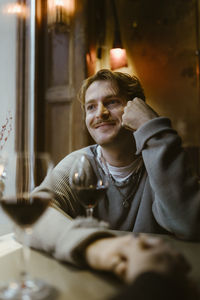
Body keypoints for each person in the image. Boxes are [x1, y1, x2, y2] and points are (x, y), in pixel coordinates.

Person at [28, 68, 200, 278]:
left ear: (137, 109)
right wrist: (95, 247)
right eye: (91, 107)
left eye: (111, 102)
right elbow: (31, 215)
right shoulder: (78, 165)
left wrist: (151, 128)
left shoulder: (163, 158)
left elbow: (190, 224)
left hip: (156, 279)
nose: (100, 112)